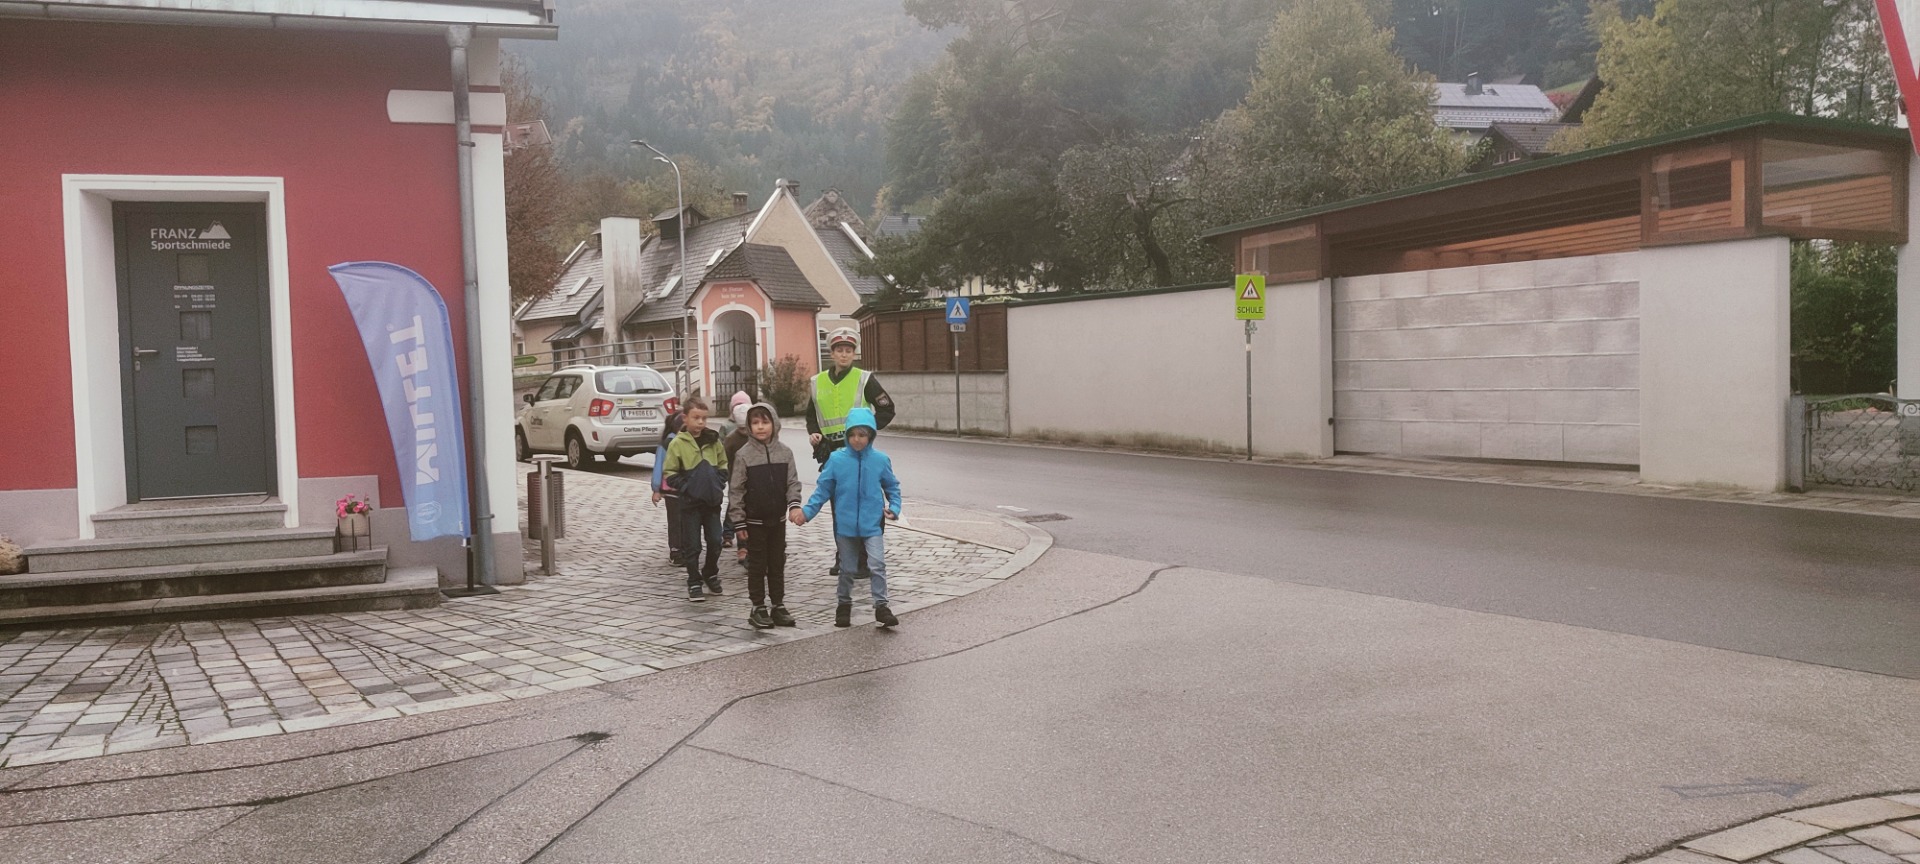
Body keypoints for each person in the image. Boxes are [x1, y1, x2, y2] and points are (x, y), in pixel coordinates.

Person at [797, 406, 902, 628]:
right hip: (845, 526)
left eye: (862, 435)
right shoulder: (836, 460)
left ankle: (882, 606)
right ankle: (843, 605)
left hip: (872, 524)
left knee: (877, 564)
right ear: (847, 435)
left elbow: (892, 487)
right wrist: (806, 513)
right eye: (852, 434)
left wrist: (894, 507)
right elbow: (822, 490)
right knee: (847, 569)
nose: (857, 439)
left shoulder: (880, 460)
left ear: (870, 435)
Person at [804, 327, 894, 576]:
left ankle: (864, 560)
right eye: (839, 350)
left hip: (860, 452)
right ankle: (844, 557)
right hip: (832, 454)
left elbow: (887, 409)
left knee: (866, 505)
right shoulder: (817, 382)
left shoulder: (864, 379)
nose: (844, 354)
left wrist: (866, 432)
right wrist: (814, 433)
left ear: (854, 354)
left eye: (848, 350)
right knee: (840, 507)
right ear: (832, 353)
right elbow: (811, 415)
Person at [729, 402, 802, 629]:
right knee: (757, 565)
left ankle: (778, 605)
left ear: (774, 423)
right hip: (754, 522)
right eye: (755, 423)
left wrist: (794, 505)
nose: (760, 427)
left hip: (777, 521)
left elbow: (792, 482)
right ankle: (758, 606)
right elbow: (736, 490)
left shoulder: (785, 453)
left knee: (777, 563)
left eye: (765, 422)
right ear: (749, 426)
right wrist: (738, 521)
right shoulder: (744, 455)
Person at [662, 399, 729, 601]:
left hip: (711, 503)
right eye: (696, 418)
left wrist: (718, 483)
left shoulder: (714, 441)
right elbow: (670, 472)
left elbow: (723, 464)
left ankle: (710, 572)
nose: (700, 422)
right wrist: (687, 487)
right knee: (692, 546)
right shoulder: (677, 444)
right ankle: (694, 581)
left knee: (715, 541)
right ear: (685, 418)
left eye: (704, 418)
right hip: (690, 504)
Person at [649, 411, 687, 565]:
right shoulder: (667, 443)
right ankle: (676, 551)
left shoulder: (688, 442)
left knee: (684, 520)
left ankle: (684, 548)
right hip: (671, 489)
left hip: (686, 489)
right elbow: (659, 466)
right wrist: (656, 489)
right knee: (676, 520)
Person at [722, 391, 754, 563]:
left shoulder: (757, 436)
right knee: (739, 510)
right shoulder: (731, 439)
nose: (744, 431)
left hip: (755, 480)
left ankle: (752, 545)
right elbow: (724, 459)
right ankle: (742, 545)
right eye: (741, 428)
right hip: (736, 480)